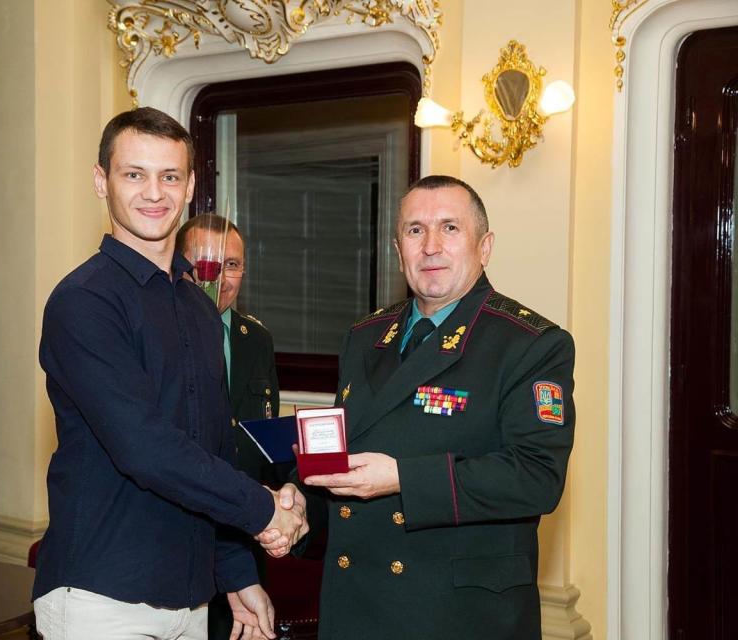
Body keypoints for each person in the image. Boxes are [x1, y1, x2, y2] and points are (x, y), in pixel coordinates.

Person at [32, 107, 307, 640]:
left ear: (190, 188)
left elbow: (211, 448)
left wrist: (236, 573)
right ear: (101, 181)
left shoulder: (199, 307)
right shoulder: (82, 302)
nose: (153, 193)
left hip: (190, 597)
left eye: (170, 176)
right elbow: (146, 447)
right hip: (102, 595)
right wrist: (264, 510)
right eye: (133, 174)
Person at [301, 175, 576, 640]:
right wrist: (296, 504)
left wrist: (402, 479)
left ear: (484, 247)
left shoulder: (529, 344)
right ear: (397, 247)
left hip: (456, 613)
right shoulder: (366, 336)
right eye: (414, 230)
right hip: (357, 603)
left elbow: (536, 478)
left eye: (449, 228)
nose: (430, 246)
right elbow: (342, 450)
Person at [176, 214, 286, 640]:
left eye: (233, 265)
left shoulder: (256, 339)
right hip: (182, 531)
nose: (219, 277)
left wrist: (287, 498)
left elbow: (264, 440)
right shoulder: (164, 334)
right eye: (206, 263)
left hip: (245, 534)